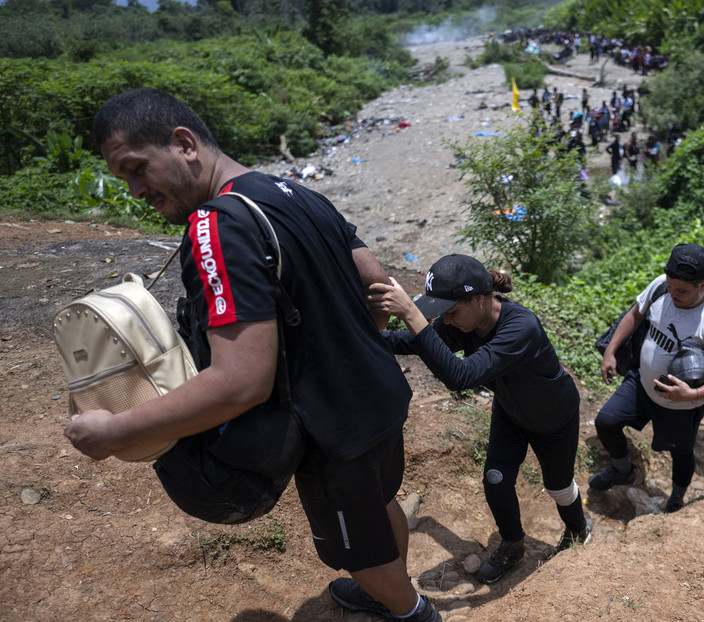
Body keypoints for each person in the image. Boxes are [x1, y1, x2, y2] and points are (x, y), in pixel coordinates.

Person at [70, 89, 440, 621]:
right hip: (377, 395)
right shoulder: (292, 191)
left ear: (184, 144)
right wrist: (351, 353)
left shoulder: (215, 225)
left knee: (360, 548)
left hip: (333, 428)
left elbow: (241, 382)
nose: (133, 190)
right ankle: (392, 592)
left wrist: (116, 432)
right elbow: (377, 283)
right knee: (379, 506)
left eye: (136, 169)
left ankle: (411, 612)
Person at [368, 255, 590, 585]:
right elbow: (415, 341)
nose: (448, 319)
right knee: (496, 480)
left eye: (453, 311)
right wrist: (366, 338)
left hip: (553, 417)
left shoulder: (520, 328)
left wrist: (413, 316)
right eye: (443, 313)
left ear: (479, 299)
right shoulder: (466, 323)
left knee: (558, 487)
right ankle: (513, 545)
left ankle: (577, 529)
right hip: (511, 411)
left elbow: (460, 376)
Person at [589, 244, 704, 512]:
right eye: (671, 286)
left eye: (682, 291)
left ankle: (677, 498)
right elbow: (635, 315)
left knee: (681, 453)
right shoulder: (662, 285)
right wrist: (611, 351)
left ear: (702, 285)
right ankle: (622, 469)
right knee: (606, 421)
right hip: (642, 383)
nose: (673, 294)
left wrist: (692, 395)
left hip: (681, 405)